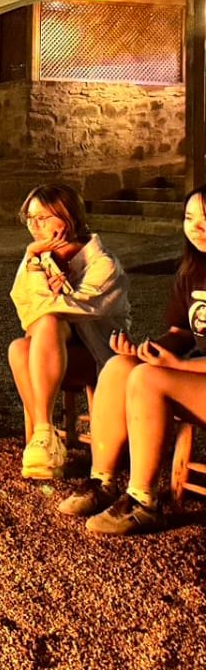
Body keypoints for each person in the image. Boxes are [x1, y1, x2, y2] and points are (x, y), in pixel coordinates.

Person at [57, 187, 206, 534]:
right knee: (120, 367)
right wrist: (146, 350)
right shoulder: (193, 270)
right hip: (196, 377)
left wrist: (178, 366)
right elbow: (182, 332)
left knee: (147, 379)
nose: (196, 227)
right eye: (189, 218)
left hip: (196, 374)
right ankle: (103, 482)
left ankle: (144, 502)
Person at [7, 183, 129, 482]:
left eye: (43, 218)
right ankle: (45, 433)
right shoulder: (40, 254)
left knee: (49, 320)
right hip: (50, 353)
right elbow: (25, 311)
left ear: (69, 217)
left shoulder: (103, 264)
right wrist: (35, 261)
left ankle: (44, 438)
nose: (35, 226)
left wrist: (38, 272)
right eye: (30, 218)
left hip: (98, 355)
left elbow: (50, 310)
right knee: (18, 348)